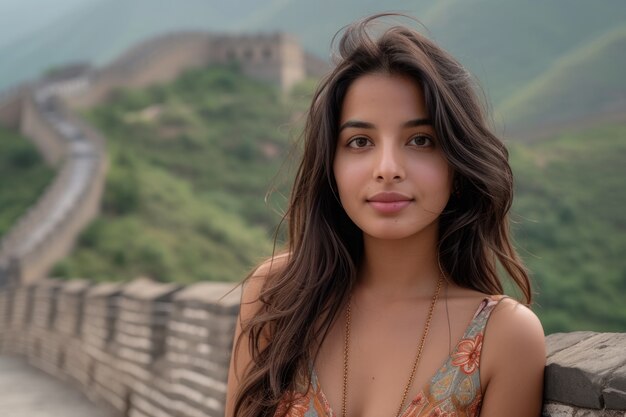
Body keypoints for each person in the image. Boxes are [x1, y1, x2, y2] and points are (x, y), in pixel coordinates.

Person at [225, 14, 545, 417]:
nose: (388, 167)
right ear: (332, 167)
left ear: (457, 165)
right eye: (360, 141)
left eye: (421, 140)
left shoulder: (503, 337)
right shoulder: (278, 297)